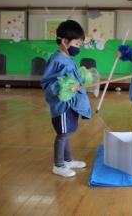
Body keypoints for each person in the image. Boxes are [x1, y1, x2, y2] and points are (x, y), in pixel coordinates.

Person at [41, 20, 91, 177]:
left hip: (71, 104)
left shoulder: (68, 58)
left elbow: (70, 77)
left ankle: (68, 160)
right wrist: (66, 86)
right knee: (62, 134)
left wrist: (80, 77)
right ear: (64, 41)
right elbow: (48, 84)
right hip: (62, 106)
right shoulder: (56, 60)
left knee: (67, 132)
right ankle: (58, 165)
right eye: (76, 43)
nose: (78, 47)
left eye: (80, 44)